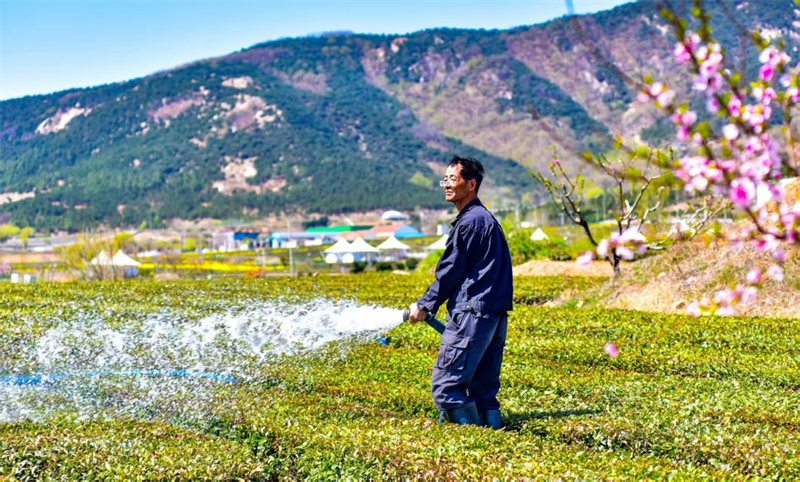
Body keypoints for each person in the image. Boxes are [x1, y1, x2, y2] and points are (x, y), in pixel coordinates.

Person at [408, 155, 513, 429]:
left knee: (446, 387)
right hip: (492, 314)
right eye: (444, 179)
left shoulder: (471, 222)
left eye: (452, 179)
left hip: (472, 313)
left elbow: (451, 270)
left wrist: (425, 304)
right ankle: (495, 443)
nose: (446, 184)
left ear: (471, 183)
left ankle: (471, 444)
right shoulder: (485, 219)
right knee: (483, 391)